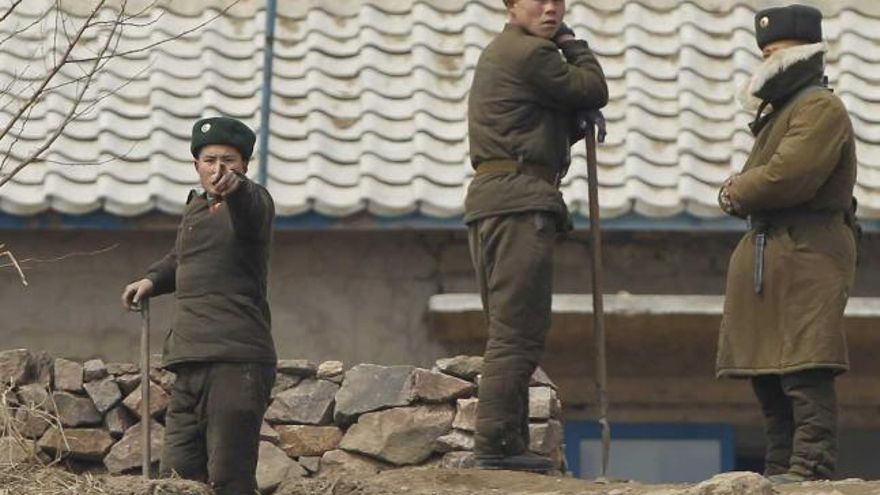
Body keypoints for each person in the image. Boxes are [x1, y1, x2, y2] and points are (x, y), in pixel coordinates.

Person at [716, 4, 859, 483]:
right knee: (769, 371)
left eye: (777, 51)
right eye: (765, 52)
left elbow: (788, 176)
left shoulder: (819, 107)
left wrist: (735, 189)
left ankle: (809, 466)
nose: (768, 60)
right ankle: (780, 466)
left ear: (804, 52)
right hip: (775, 249)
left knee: (805, 364)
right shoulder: (783, 110)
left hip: (808, 249)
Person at [465, 0, 608, 472]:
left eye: (558, 2)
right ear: (511, 5)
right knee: (517, 332)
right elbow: (593, 86)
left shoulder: (504, 52)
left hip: (498, 198)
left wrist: (568, 124)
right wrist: (573, 43)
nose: (551, 9)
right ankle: (494, 446)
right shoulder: (532, 53)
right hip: (519, 202)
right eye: (538, 0)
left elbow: (524, 124)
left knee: (511, 327)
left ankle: (509, 443)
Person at [121, 117, 276, 494]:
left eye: (229, 160)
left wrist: (237, 188)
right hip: (189, 357)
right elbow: (183, 258)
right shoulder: (195, 209)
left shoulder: (254, 204)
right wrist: (152, 280)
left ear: (244, 166)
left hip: (235, 360)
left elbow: (248, 202)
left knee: (229, 476)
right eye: (209, 160)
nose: (218, 168)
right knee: (177, 477)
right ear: (196, 165)